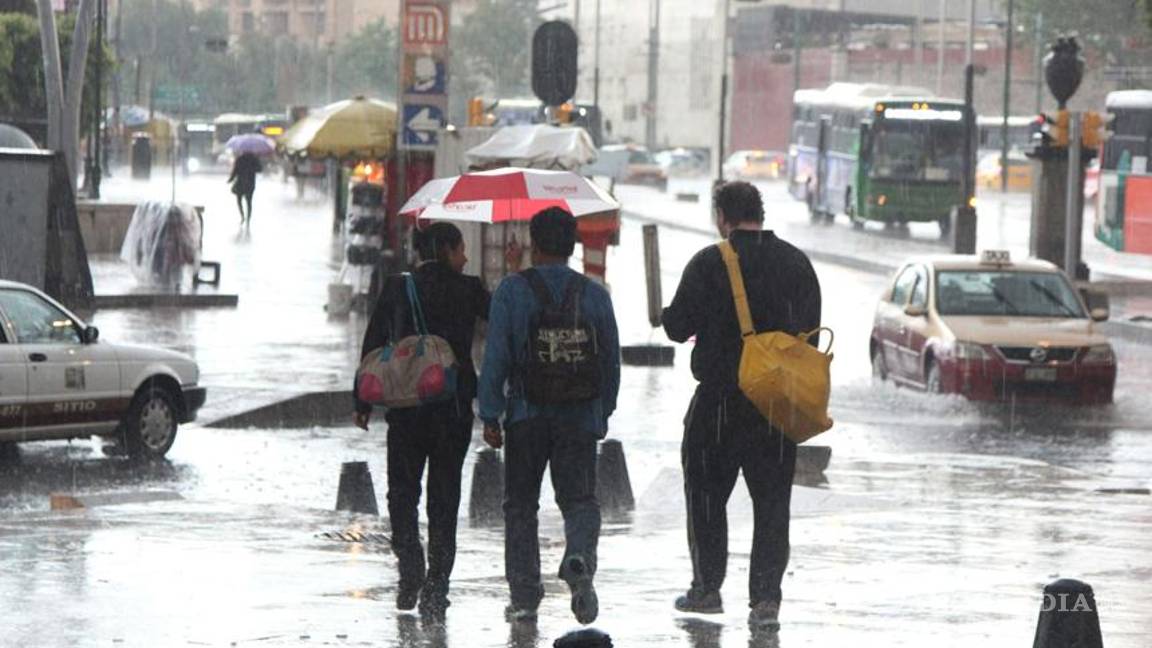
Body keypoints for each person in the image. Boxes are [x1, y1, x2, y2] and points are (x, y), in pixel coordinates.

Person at [661, 181, 822, 630]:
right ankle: (766, 600)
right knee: (772, 505)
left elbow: (677, 327)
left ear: (722, 217)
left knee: (706, 496)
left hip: (719, 400)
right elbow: (810, 332)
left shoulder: (709, 262)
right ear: (760, 214)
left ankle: (707, 588)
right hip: (775, 406)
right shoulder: (796, 263)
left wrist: (675, 316)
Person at [478, 207, 621, 626]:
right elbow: (610, 362)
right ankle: (579, 557)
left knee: (521, 506)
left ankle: (524, 596)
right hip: (579, 416)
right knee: (580, 501)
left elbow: (496, 359)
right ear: (573, 245)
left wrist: (490, 414)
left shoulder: (511, 291)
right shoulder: (594, 294)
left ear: (534, 243)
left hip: (526, 415)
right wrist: (602, 411)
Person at [353, 222, 493, 622]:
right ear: (446, 249)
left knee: (402, 493)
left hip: (406, 407)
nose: (465, 256)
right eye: (461, 248)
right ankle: (436, 589)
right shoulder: (468, 289)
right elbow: (499, 317)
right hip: (452, 408)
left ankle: (410, 562)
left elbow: (373, 343)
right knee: (444, 499)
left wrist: (361, 401)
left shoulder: (399, 287)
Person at [228, 151, 262, 225]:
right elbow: (260, 169)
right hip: (250, 183)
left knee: (239, 200)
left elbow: (235, 170)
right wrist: (252, 168)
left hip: (240, 183)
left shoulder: (240, 159)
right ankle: (248, 219)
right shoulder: (254, 159)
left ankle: (242, 216)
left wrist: (230, 179)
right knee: (249, 202)